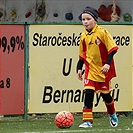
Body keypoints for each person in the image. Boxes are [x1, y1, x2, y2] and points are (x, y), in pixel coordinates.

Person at [77, 6, 119, 128]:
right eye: (83, 19)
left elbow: (112, 49)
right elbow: (82, 55)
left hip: (103, 70)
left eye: (88, 19)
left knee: (106, 95)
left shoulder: (102, 32)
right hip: (90, 70)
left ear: (95, 20)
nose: (85, 22)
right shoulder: (83, 36)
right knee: (88, 93)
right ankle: (88, 121)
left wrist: (107, 63)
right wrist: (79, 68)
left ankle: (112, 114)